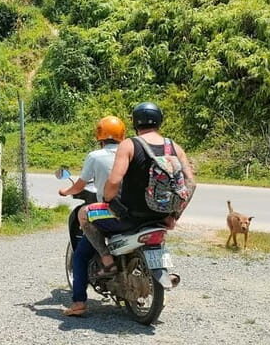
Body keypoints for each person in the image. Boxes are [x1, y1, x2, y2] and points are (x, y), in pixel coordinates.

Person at [78, 102, 196, 279]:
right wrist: (174, 216)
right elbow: (192, 184)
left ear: (135, 123)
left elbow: (114, 181)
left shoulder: (129, 145)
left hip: (130, 217)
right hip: (160, 217)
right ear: (160, 121)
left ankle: (107, 261)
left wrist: (110, 202)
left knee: (83, 213)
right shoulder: (174, 147)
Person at [59, 116, 126, 317]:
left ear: (100, 137)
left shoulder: (96, 156)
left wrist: (66, 191)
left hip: (109, 212)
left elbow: (81, 185)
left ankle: (79, 302)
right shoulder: (131, 153)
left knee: (80, 255)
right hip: (135, 213)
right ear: (122, 136)